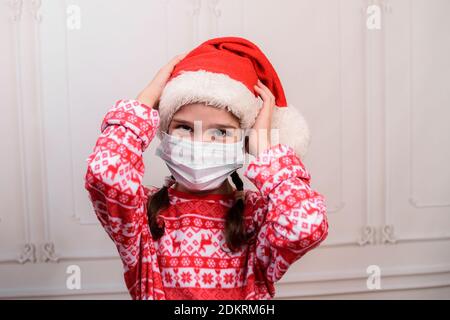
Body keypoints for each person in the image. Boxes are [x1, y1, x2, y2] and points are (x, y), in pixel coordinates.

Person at [84, 36, 329, 300]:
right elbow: (104, 174)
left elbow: (308, 225)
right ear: (163, 131)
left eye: (221, 132)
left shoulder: (257, 216)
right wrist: (145, 101)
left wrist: (264, 149)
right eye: (185, 127)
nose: (200, 143)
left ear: (244, 140)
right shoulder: (140, 215)